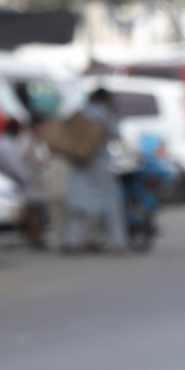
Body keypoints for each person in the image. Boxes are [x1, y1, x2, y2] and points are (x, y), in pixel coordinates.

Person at [63, 88, 128, 254]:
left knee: (78, 205)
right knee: (110, 204)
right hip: (100, 166)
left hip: (80, 165)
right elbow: (116, 135)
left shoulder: (81, 113)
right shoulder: (106, 114)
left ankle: (73, 241)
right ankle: (116, 241)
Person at [0, 118, 49, 248]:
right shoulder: (10, 143)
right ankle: (34, 236)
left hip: (20, 181)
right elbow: (16, 167)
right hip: (13, 183)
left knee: (35, 205)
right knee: (32, 207)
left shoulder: (8, 141)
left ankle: (33, 235)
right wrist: (30, 179)